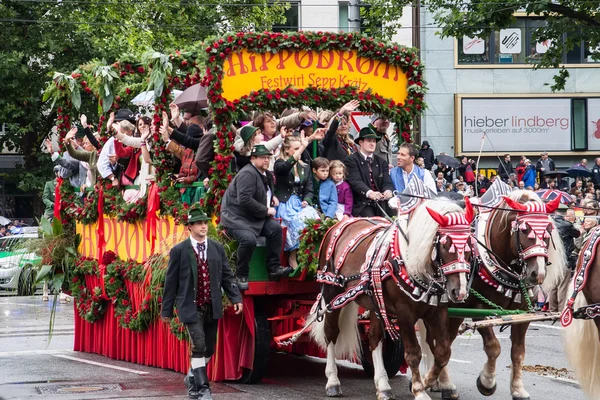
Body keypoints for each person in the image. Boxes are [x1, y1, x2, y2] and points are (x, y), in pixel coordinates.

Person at [161, 209, 243, 400]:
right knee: (198, 345)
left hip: (211, 306)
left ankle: (192, 376)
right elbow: (171, 282)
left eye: (205, 223)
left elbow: (227, 275)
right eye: (199, 223)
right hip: (191, 307)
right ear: (190, 227)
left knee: (209, 349)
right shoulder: (180, 250)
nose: (204, 226)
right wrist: (167, 309)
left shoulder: (216, 248)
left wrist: (236, 298)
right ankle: (202, 390)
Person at [220, 144, 293, 290]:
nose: (266, 160)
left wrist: (272, 198)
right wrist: (266, 210)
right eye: (262, 158)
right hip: (236, 218)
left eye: (268, 157)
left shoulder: (265, 174)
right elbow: (244, 200)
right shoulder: (248, 174)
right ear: (253, 159)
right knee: (248, 239)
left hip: (254, 217)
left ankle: (273, 269)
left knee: (276, 229)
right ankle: (241, 275)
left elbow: (262, 192)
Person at [274, 136, 318, 269]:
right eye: (296, 149)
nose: (300, 151)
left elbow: (310, 189)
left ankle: (310, 256)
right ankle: (292, 256)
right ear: (287, 150)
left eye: (300, 148)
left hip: (299, 203)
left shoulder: (304, 166)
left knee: (314, 218)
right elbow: (285, 167)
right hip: (285, 203)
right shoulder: (279, 163)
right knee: (294, 222)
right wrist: (304, 147)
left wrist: (306, 200)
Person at [344, 126, 393, 217]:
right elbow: (355, 181)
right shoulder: (351, 160)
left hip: (382, 203)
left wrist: (388, 190)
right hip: (363, 204)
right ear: (361, 142)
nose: (372, 144)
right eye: (369, 141)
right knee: (373, 224)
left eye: (374, 141)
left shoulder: (382, 162)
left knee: (397, 221)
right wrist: (369, 193)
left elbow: (387, 181)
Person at [548, 205, 580, 312]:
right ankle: (561, 310)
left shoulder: (549, 222)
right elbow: (577, 233)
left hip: (552, 258)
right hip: (565, 258)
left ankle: (552, 308)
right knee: (563, 286)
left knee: (553, 285)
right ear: (565, 212)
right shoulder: (567, 225)